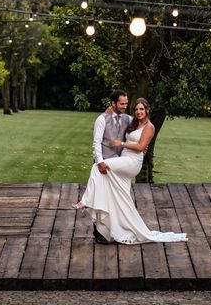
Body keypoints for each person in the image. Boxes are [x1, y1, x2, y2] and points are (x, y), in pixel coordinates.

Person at [74, 98, 188, 245]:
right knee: (118, 196)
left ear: (147, 110)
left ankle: (85, 201)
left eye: (142, 109)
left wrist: (121, 143)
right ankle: (112, 231)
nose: (139, 112)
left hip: (132, 162)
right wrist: (109, 111)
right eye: (136, 109)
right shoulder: (132, 122)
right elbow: (117, 115)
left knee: (99, 166)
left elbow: (141, 147)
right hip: (124, 159)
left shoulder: (149, 127)